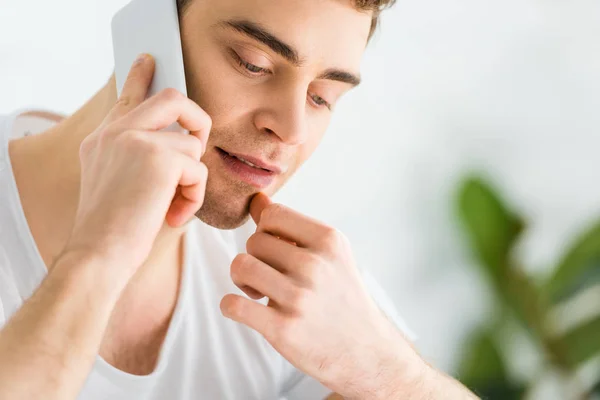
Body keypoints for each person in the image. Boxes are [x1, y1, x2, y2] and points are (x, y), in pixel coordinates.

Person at [0, 0, 478, 399]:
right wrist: (96, 257)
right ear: (149, 24)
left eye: (322, 97)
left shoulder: (287, 291)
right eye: (253, 63)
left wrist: (385, 371)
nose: (291, 130)